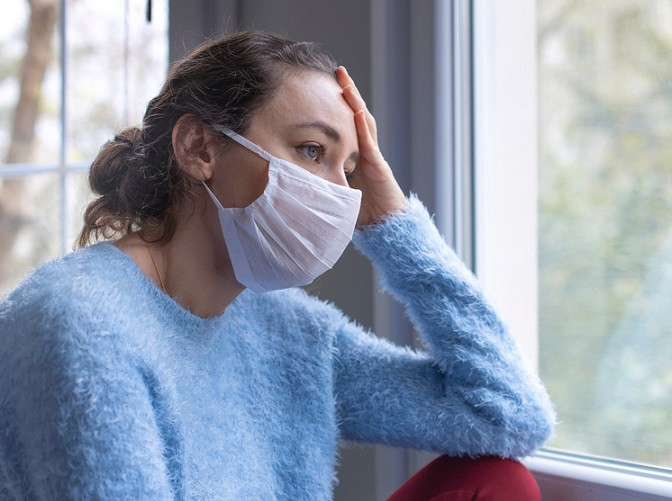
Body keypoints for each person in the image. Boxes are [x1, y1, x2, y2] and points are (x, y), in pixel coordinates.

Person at [0, 31, 555, 500]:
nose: (340, 195)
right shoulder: (80, 321)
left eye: (352, 170)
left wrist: (393, 222)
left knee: (497, 480)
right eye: (313, 151)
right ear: (199, 147)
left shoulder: (291, 331)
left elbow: (509, 416)